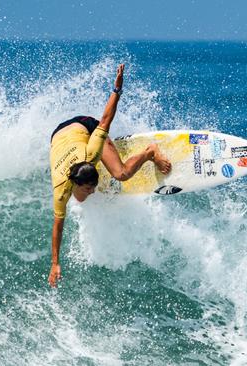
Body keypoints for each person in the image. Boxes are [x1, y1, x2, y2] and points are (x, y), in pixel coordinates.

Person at [48, 64, 171, 287]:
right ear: (74, 182)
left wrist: (117, 90)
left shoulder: (90, 153)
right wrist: (55, 263)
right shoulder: (61, 189)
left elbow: (104, 120)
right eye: (88, 186)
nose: (91, 190)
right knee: (80, 198)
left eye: (91, 186)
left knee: (121, 174)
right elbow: (57, 225)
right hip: (59, 135)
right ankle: (104, 173)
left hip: (85, 126)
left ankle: (149, 152)